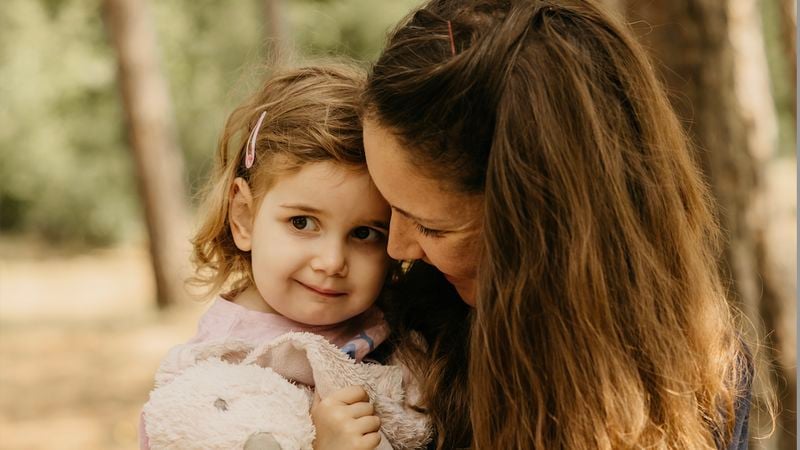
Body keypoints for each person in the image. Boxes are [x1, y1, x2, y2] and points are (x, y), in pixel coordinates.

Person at [361, 0, 753, 449]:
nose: (396, 248)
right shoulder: (394, 342)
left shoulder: (703, 374)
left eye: (431, 228)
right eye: (386, 210)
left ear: (545, 229)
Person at [140, 64, 423, 450]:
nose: (331, 261)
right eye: (302, 222)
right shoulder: (218, 370)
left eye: (364, 233)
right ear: (243, 216)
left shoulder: (401, 321)